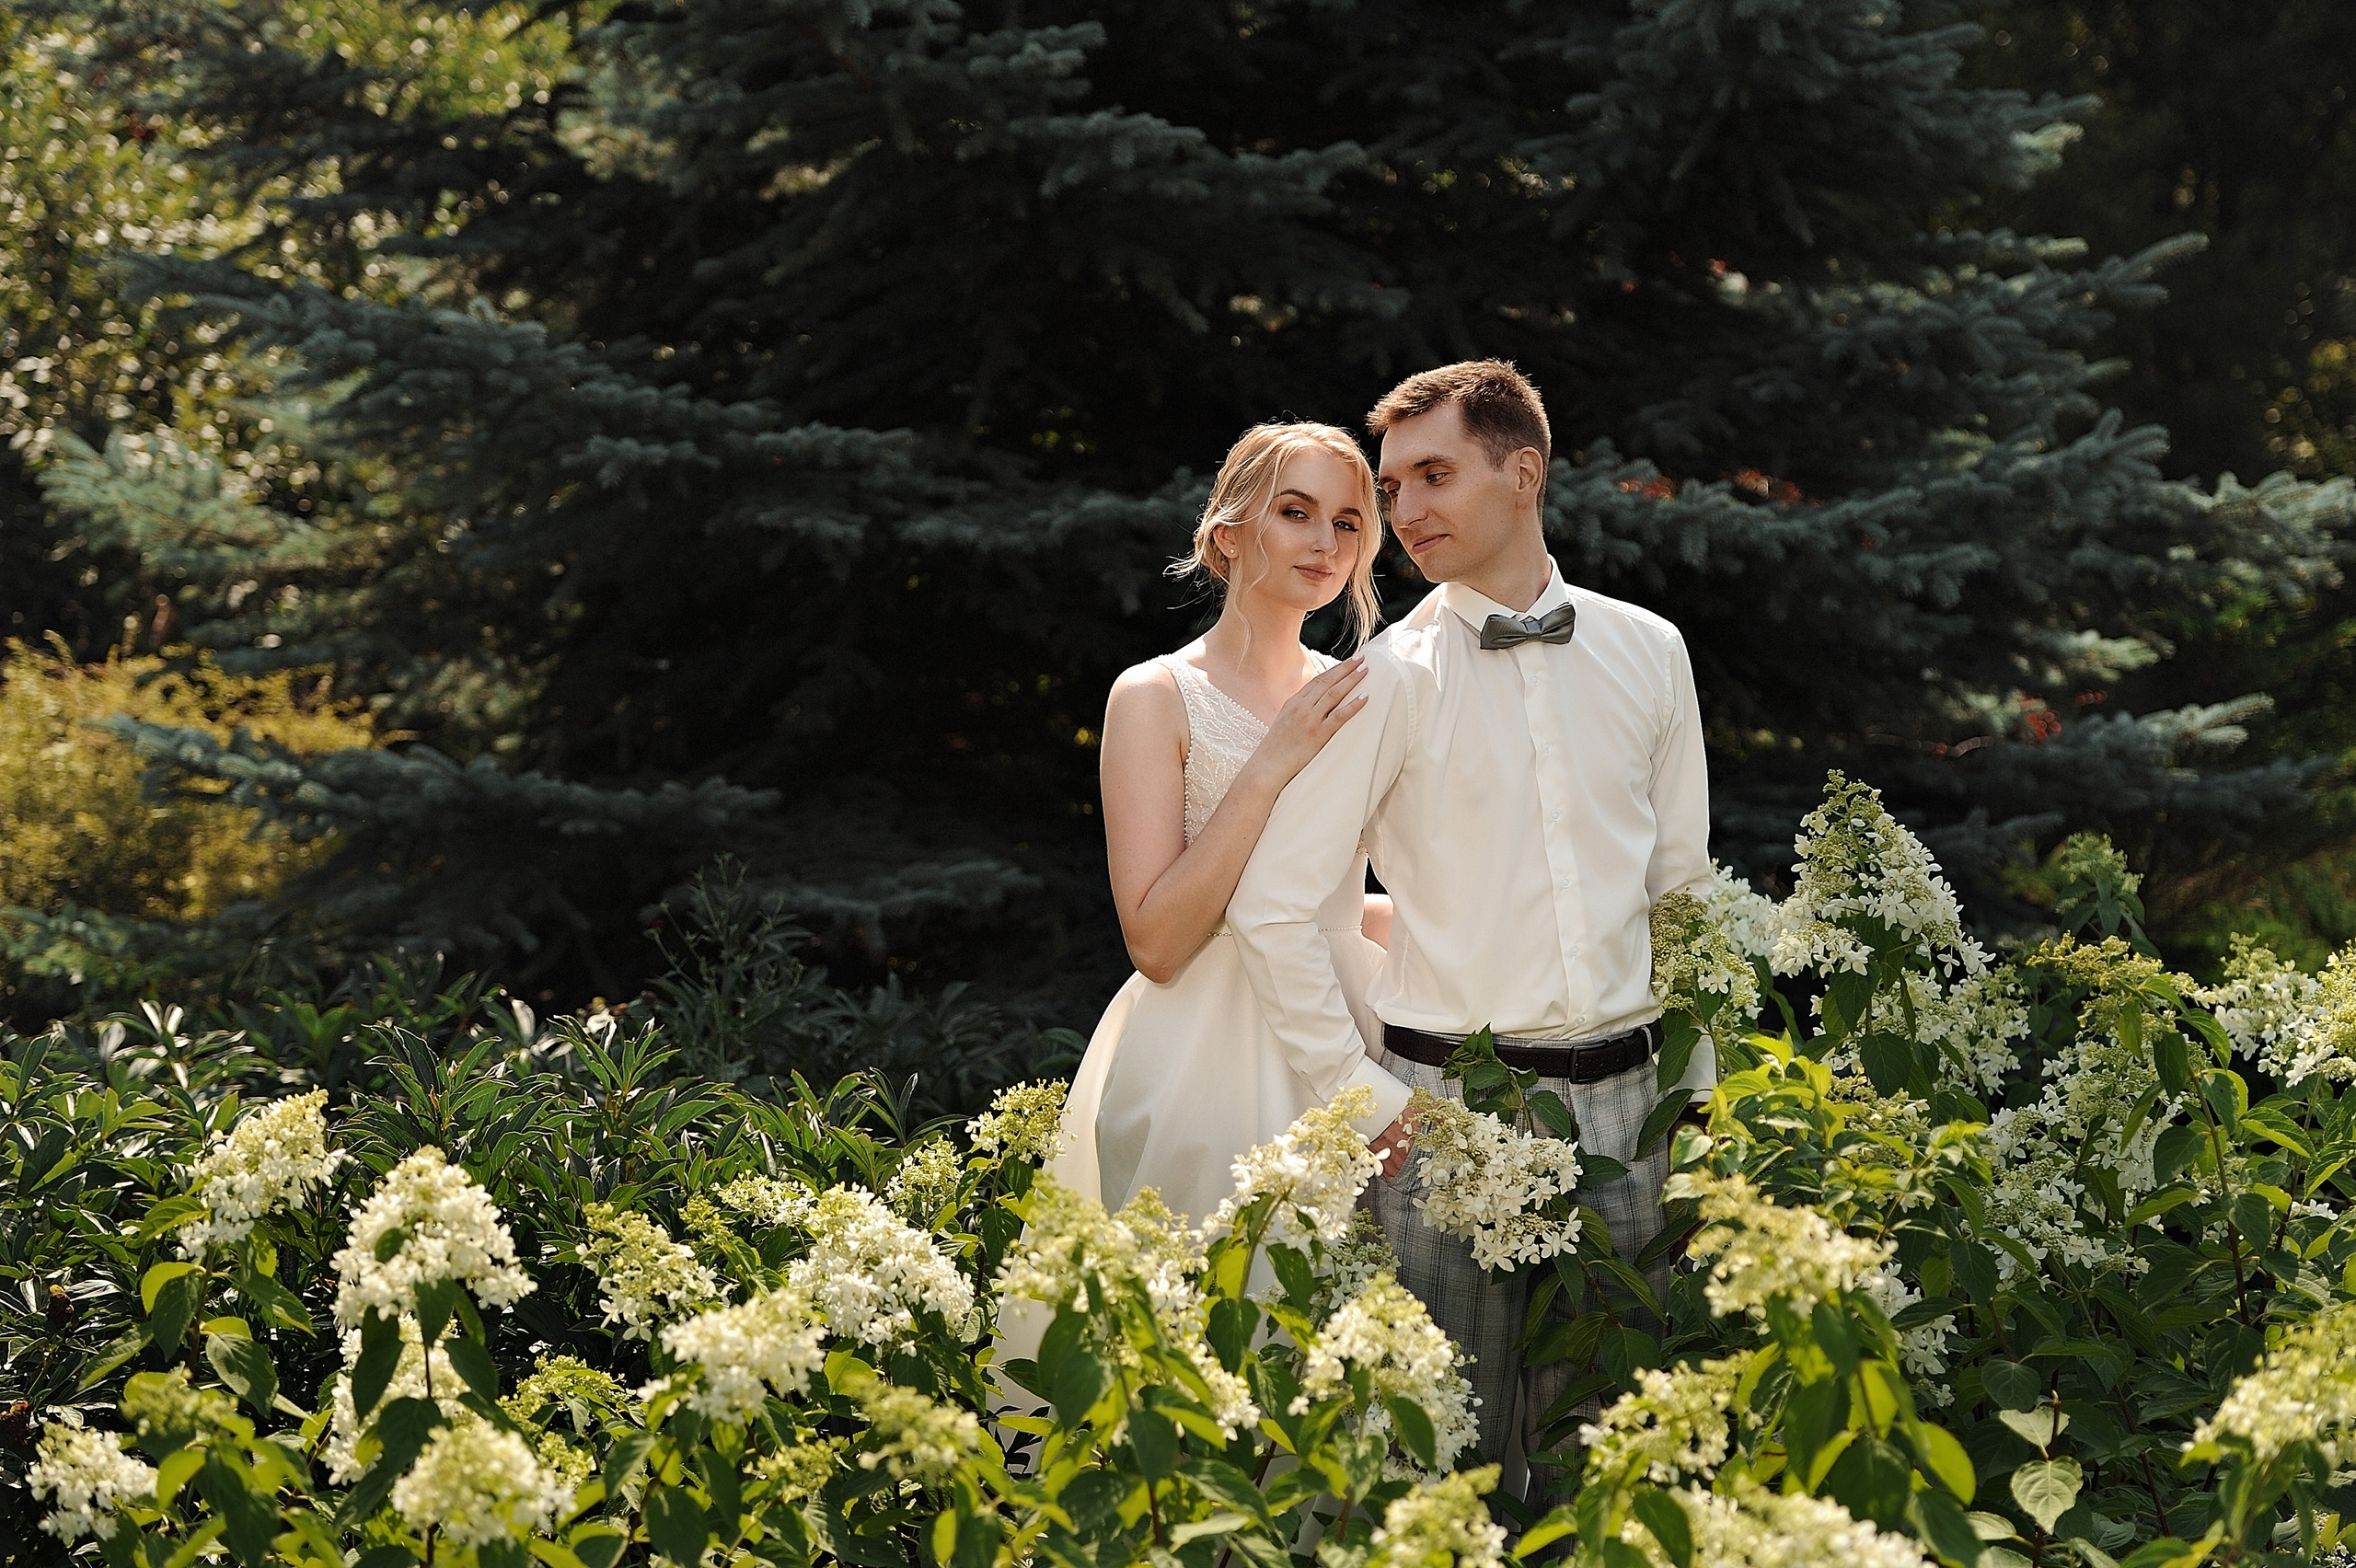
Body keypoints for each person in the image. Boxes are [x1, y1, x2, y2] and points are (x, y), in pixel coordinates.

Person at [1225, 361, 1714, 1485]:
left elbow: (1681, 887)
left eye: (1432, 476)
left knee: (1620, 1473)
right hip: (1446, 1118)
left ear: (1523, 473)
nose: (1403, 511)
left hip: (1638, 1116)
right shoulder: (1384, 679)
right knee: (1436, 1473)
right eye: (1392, 487)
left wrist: (1698, 1096)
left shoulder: (1651, 650)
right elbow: (1274, 909)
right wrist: (1362, 1102)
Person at [1048, 421, 1418, 1228]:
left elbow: (1339, 900)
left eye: (1347, 522)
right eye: (1295, 512)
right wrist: (1269, 762)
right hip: (1200, 1055)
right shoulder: (1153, 697)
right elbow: (1156, 943)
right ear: (1228, 534)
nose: (1324, 542)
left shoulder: (1360, 693)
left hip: (1345, 1031)